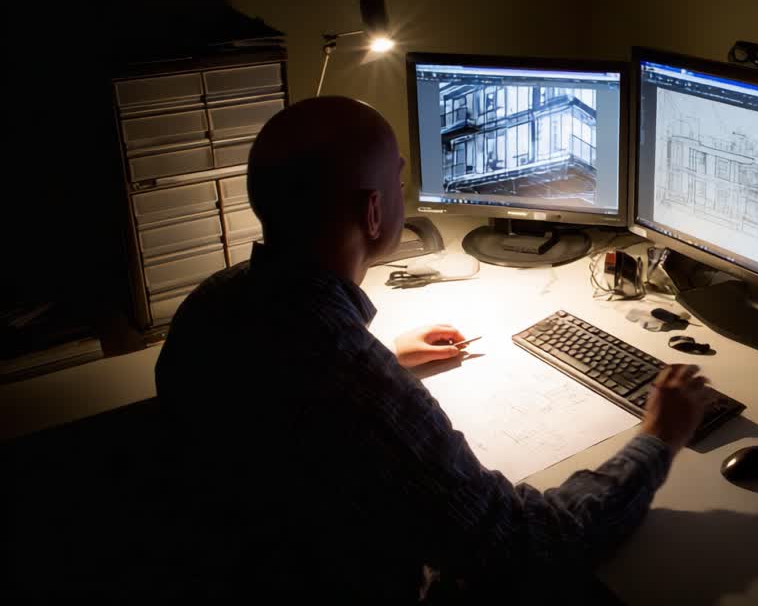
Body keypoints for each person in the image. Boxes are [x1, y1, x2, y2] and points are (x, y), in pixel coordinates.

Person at [155, 96, 712, 603]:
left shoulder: (214, 303)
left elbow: (288, 397)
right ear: (374, 213)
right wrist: (658, 439)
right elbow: (528, 546)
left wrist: (385, 359)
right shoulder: (349, 384)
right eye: (399, 181)